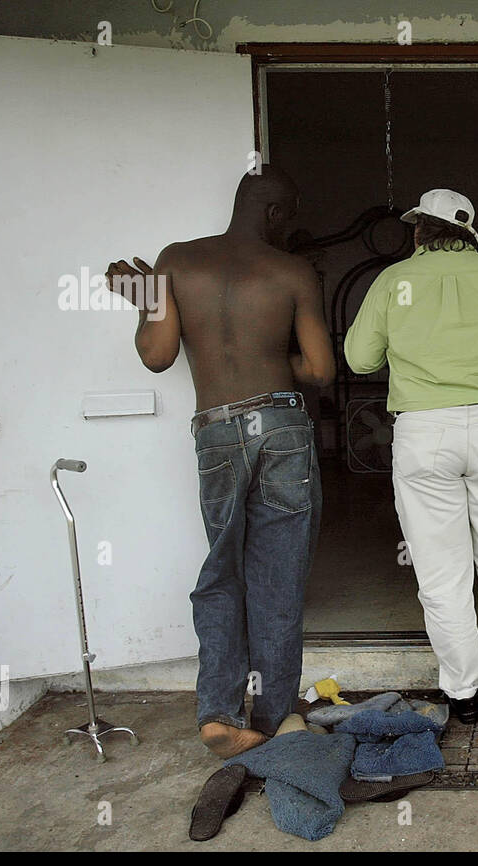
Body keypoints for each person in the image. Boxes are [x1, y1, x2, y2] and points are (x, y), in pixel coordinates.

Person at [106, 166, 336, 758]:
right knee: (278, 577)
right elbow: (320, 372)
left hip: (216, 429)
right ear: (277, 215)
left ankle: (219, 714)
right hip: (281, 424)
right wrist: (272, 348)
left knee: (221, 573)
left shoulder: (176, 260)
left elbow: (157, 356)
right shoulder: (293, 271)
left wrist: (144, 302)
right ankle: (275, 716)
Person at [344, 188, 478, 724]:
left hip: (423, 431)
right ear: (468, 231)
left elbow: (359, 357)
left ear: (418, 232)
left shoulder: (393, 282)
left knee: (441, 572)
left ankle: (464, 694)